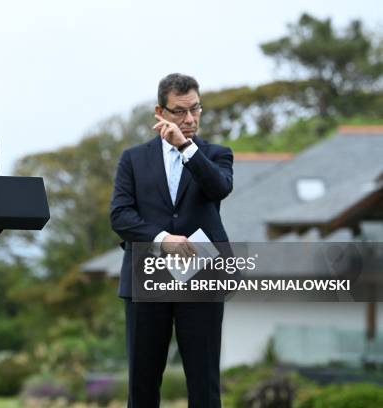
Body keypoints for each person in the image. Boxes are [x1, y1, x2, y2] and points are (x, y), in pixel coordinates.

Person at [110, 73, 233, 407]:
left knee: (204, 382)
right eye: (179, 111)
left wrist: (185, 146)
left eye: (195, 109)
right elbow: (120, 216)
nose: (189, 119)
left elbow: (219, 188)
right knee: (143, 382)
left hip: (202, 273)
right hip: (147, 273)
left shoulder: (217, 154)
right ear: (160, 112)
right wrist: (163, 239)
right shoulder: (132, 159)